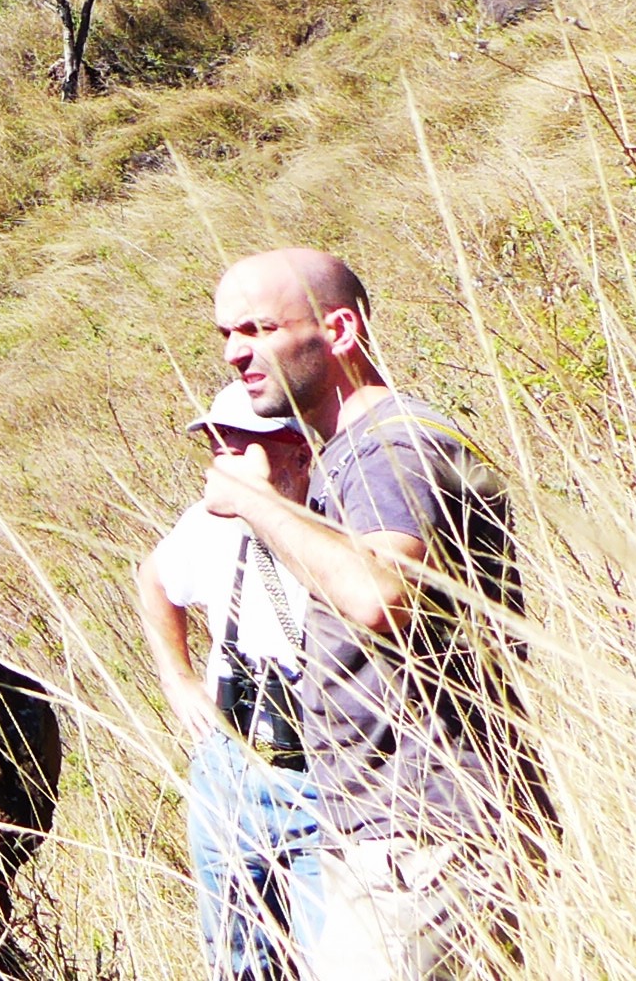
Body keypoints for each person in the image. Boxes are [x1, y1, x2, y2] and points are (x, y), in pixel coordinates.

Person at [205, 250, 539, 981]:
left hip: (426, 832)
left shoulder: (392, 446)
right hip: (400, 832)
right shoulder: (351, 451)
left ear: (340, 330)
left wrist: (256, 504)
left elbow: (380, 595)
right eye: (227, 334)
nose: (235, 353)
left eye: (259, 329)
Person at [138, 383, 327, 981]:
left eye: (240, 447)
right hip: (232, 769)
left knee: (339, 958)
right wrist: (177, 677)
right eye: (216, 447)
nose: (222, 463)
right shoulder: (209, 524)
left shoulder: (339, 524)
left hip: (325, 780)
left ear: (299, 453)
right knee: (238, 963)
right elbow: (154, 580)